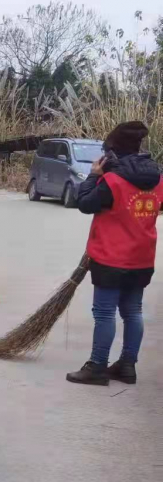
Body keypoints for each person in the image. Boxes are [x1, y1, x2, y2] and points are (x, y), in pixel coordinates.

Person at [67, 121, 161, 386]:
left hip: (111, 258)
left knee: (105, 313)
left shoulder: (112, 180)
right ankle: (127, 366)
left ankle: (97, 367)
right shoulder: (158, 177)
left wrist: (94, 175)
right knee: (133, 311)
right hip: (142, 257)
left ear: (112, 152)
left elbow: (84, 203)